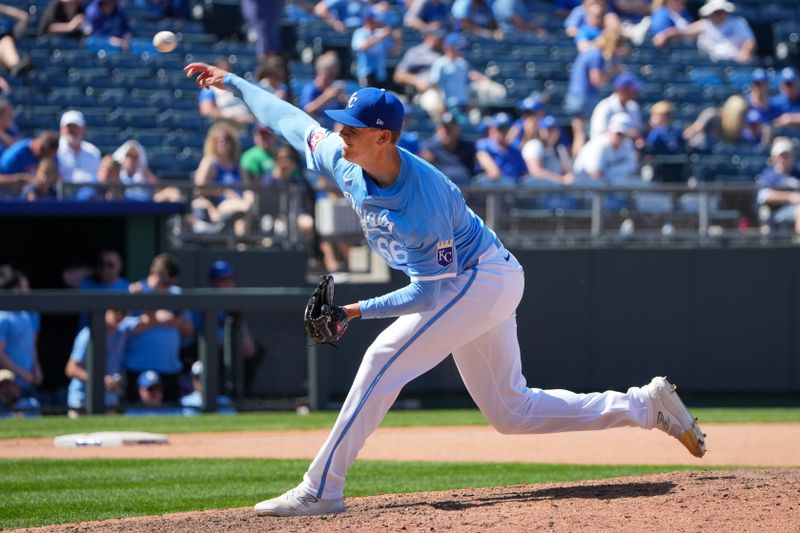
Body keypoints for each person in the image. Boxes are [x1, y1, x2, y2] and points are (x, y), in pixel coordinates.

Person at [184, 60, 707, 517]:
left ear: (383, 137)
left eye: (352, 129)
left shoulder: (425, 201)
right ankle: (645, 404)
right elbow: (291, 122)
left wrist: (354, 311)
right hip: (481, 277)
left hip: (478, 279)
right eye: (341, 127)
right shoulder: (346, 160)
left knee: (381, 359)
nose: (340, 134)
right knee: (512, 413)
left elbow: (431, 296)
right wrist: (233, 83)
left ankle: (322, 488)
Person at [123, 253, 193, 404]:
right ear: (154, 274)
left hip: (169, 369)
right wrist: (155, 318)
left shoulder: (177, 294)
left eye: (171, 284)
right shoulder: (135, 291)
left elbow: (188, 331)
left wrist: (175, 321)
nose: (168, 287)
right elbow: (126, 330)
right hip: (138, 369)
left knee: (172, 419)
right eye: (165, 283)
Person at [191, 122, 254, 235]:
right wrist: (223, 191)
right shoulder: (210, 162)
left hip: (239, 204)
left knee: (243, 215)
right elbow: (199, 188)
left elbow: (247, 188)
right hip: (220, 206)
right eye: (219, 140)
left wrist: (249, 198)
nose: (223, 144)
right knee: (244, 208)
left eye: (226, 140)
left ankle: (241, 246)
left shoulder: (238, 166)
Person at [65, 310, 129, 414]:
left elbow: (146, 322)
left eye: (124, 312)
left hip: (109, 400)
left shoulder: (122, 330)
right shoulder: (87, 334)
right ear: (106, 311)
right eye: (116, 311)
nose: (119, 316)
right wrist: (98, 380)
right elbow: (71, 369)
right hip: (82, 399)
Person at [0, 265, 42, 403]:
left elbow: (31, 346)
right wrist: (23, 374)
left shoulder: (30, 315)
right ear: (15, 289)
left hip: (28, 382)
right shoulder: (3, 317)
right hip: (8, 385)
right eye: (25, 287)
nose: (28, 291)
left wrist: (36, 368)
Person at [674, 0, 755, 63]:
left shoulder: (737, 23)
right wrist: (665, 35)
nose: (718, 14)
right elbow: (684, 32)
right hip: (711, 65)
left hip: (734, 63)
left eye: (720, 11)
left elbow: (749, 41)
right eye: (715, 12)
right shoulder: (705, 24)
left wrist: (745, 52)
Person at [574, 113, 639, 183]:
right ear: (610, 131)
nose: (620, 137)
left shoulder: (627, 145)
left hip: (608, 184)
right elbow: (595, 174)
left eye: (622, 134)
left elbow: (632, 168)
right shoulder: (599, 145)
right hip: (583, 182)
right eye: (618, 134)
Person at [419, 112, 476, 188]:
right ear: (438, 129)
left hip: (467, 190)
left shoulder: (468, 147)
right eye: (444, 128)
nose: (446, 132)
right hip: (441, 190)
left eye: (450, 128)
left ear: (457, 129)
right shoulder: (430, 147)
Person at [756, 137, 800, 235]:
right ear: (774, 158)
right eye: (782, 156)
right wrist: (791, 197)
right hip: (775, 215)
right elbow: (763, 196)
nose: (784, 159)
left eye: (787, 156)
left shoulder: (797, 174)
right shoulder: (769, 174)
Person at [474, 112, 527, 187]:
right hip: (491, 190)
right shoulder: (484, 145)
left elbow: (524, 173)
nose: (502, 132)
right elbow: (494, 173)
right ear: (492, 129)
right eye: (499, 128)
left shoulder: (515, 149)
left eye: (504, 128)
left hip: (514, 191)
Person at [351, 7, 400, 88]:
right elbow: (362, 47)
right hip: (365, 74)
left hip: (381, 75)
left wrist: (397, 41)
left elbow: (394, 52)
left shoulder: (381, 33)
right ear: (369, 19)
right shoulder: (360, 33)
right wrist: (380, 37)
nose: (379, 21)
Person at [589, 71, 643, 143]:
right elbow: (598, 135)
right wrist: (625, 133)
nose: (636, 91)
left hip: (627, 150)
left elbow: (637, 132)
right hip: (605, 150)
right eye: (632, 89)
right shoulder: (605, 107)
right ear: (622, 89)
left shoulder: (634, 107)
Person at [0, 130, 58, 197]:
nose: (49, 159)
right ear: (40, 148)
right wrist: (19, 179)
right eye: (47, 156)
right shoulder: (16, 154)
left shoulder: (50, 154)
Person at [299, 51, 348, 129]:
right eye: (328, 75)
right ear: (320, 71)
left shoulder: (335, 87)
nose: (331, 79)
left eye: (333, 75)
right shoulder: (310, 88)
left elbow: (343, 112)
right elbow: (307, 110)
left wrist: (344, 102)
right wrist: (326, 97)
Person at [198, 58, 254, 126]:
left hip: (246, 126)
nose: (224, 73)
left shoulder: (238, 86)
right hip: (224, 127)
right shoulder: (209, 89)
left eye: (228, 70)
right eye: (221, 69)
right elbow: (206, 110)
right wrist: (233, 117)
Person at [521, 115, 573, 185]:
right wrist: (560, 179)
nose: (549, 133)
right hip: (534, 190)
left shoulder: (559, 149)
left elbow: (568, 171)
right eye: (547, 129)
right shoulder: (533, 145)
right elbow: (535, 171)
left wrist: (568, 177)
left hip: (553, 189)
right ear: (540, 130)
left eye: (552, 129)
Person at [57, 109, 101, 191]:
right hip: (62, 201)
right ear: (61, 129)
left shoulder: (93, 152)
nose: (72, 130)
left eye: (76, 127)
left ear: (83, 129)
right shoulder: (55, 151)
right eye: (69, 127)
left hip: (90, 201)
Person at [393, 28, 444, 98]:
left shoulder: (448, 53)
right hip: (425, 94)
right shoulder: (416, 52)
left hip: (446, 92)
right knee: (432, 99)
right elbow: (398, 75)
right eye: (438, 38)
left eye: (442, 38)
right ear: (428, 37)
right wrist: (416, 81)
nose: (441, 40)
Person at [0, 3, 32, 76]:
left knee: (6, 41)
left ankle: (16, 67)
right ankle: (16, 67)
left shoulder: (6, 26)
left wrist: (2, 9)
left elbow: (24, 17)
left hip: (5, 61)